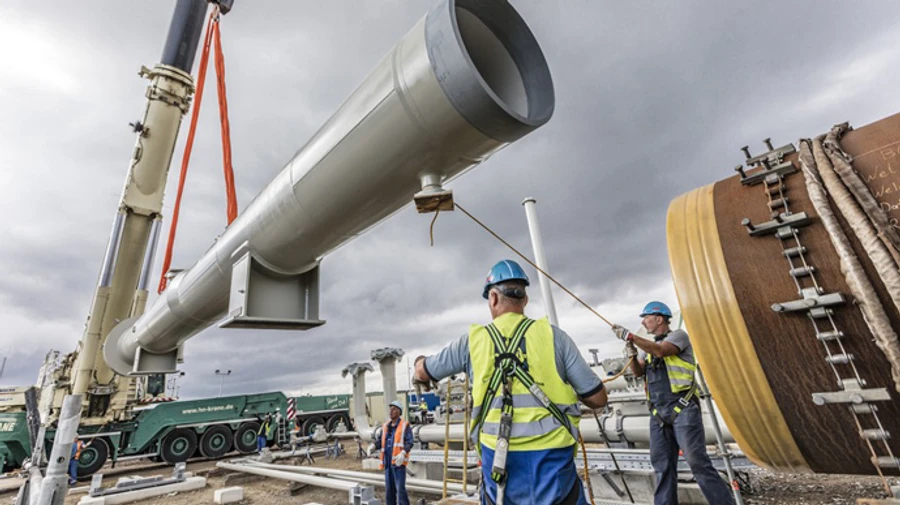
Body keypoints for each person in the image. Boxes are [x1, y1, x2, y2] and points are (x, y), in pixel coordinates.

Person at [414, 259, 608, 505]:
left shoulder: (471, 343)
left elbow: (424, 371)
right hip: (553, 460)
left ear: (493, 298)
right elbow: (598, 398)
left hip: (499, 461)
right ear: (524, 299)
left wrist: (418, 363)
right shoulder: (555, 337)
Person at [613, 301, 735, 505]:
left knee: (698, 463)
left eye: (646, 318)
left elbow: (661, 351)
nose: (643, 322)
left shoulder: (678, 337)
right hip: (658, 413)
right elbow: (637, 371)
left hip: (683, 409)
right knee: (662, 466)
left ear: (659, 318)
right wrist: (631, 353)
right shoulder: (648, 347)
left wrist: (631, 337)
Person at [373, 400, 413, 505]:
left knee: (400, 490)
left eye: (394, 409)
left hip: (398, 463)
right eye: (390, 409)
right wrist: (373, 446)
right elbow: (380, 441)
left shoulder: (405, 425)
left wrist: (403, 453)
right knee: (389, 490)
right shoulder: (385, 426)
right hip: (387, 463)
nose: (391, 411)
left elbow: (409, 441)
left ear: (399, 412)